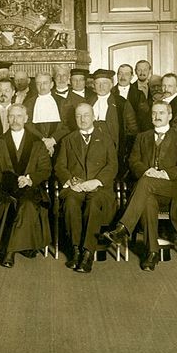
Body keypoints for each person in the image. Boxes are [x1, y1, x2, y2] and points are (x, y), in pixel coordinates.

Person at [103, 101, 177, 270]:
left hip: (171, 190)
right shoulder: (142, 137)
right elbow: (133, 161)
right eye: (153, 113)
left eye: (161, 113)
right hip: (147, 191)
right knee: (148, 201)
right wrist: (147, 170)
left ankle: (123, 227)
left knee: (145, 184)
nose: (156, 116)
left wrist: (164, 174)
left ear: (170, 116)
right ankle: (152, 253)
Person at [0, 104, 52, 267]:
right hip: (4, 188)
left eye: (19, 116)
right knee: (9, 204)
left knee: (27, 203)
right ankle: (25, 245)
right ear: (7, 119)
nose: (15, 120)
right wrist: (8, 180)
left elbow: (46, 169)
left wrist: (29, 179)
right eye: (12, 116)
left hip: (30, 188)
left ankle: (9, 251)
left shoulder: (37, 143)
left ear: (26, 118)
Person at [54, 103, 118, 273]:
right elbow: (60, 166)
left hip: (99, 189)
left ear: (94, 117)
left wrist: (96, 181)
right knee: (70, 201)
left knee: (94, 202)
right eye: (78, 116)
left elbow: (112, 166)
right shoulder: (68, 140)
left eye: (86, 115)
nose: (82, 119)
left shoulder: (106, 139)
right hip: (76, 188)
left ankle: (88, 252)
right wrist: (70, 181)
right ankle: (76, 250)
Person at [87, 68, 138, 159]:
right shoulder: (87, 102)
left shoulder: (121, 103)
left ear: (111, 85)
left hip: (114, 148)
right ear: (94, 85)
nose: (101, 86)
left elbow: (132, 128)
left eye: (104, 83)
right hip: (91, 148)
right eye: (98, 83)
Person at [24, 72, 72, 158]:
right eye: (39, 83)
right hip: (36, 145)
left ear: (51, 84)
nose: (42, 86)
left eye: (45, 83)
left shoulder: (63, 102)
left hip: (59, 145)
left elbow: (68, 125)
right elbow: (27, 125)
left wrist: (53, 140)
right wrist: (42, 140)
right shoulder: (28, 103)